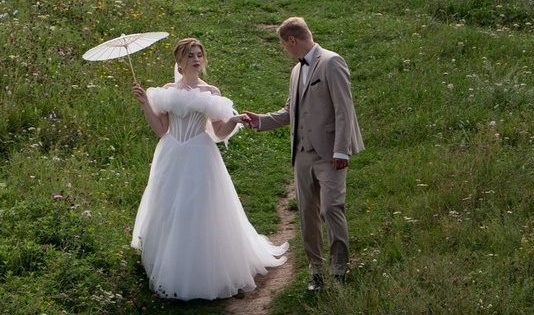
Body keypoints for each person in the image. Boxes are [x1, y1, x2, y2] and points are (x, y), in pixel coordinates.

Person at [131, 36, 288, 301]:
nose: (196, 60)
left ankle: (201, 271)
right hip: (170, 155)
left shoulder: (210, 92)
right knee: (169, 210)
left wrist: (234, 120)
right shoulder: (168, 90)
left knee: (197, 210)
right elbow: (161, 130)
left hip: (199, 154)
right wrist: (146, 103)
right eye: (190, 55)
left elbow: (218, 131)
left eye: (199, 55)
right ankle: (169, 267)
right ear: (180, 60)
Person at [240, 16, 364, 293]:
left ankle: (340, 268)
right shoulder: (296, 71)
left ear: (292, 40)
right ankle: (316, 271)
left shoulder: (332, 62)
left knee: (331, 208)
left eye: (284, 46)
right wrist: (259, 120)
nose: (285, 51)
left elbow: (345, 109)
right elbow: (290, 112)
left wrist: (342, 149)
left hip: (331, 154)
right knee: (307, 215)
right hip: (303, 154)